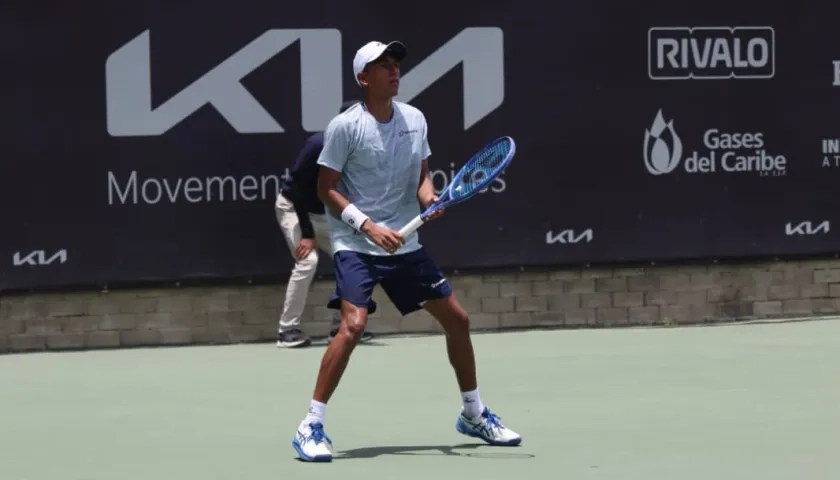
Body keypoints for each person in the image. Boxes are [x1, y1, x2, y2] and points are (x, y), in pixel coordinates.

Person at [290, 39, 522, 462]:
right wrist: (368, 226)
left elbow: (422, 176)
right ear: (364, 78)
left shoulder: (415, 120)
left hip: (405, 245)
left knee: (458, 320)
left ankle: (473, 413)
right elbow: (326, 189)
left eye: (395, 63)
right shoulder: (345, 127)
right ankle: (311, 425)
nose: (394, 70)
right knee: (353, 326)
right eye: (383, 65)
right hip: (357, 244)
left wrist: (429, 198)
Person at [274, 100, 375, 348]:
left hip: (325, 214)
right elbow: (297, 189)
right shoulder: (317, 145)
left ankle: (340, 326)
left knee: (354, 260)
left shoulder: (360, 149)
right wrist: (307, 234)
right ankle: (287, 330)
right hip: (294, 207)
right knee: (307, 261)